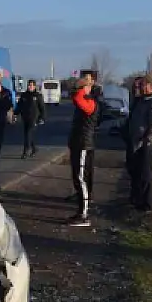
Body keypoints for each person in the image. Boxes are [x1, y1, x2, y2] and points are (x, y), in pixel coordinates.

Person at [126, 72, 152, 213]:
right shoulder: (142, 100)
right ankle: (138, 199)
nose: (141, 87)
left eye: (143, 85)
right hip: (136, 142)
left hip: (148, 144)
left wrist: (146, 141)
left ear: (150, 85)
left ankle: (148, 204)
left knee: (145, 174)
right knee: (136, 172)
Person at [66, 72, 100, 227]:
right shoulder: (84, 99)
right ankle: (81, 211)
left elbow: (78, 99)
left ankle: (84, 215)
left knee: (81, 179)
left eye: (83, 86)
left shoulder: (90, 101)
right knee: (77, 178)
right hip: (78, 143)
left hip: (83, 145)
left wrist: (81, 87)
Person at [16, 79, 46, 158]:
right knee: (28, 135)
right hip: (25, 118)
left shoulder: (38, 96)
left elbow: (42, 108)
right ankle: (34, 148)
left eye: (32, 85)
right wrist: (15, 113)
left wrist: (42, 118)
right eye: (29, 85)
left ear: (35, 86)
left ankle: (26, 151)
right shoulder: (24, 95)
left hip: (34, 118)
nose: (30, 87)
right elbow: (19, 106)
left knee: (28, 133)